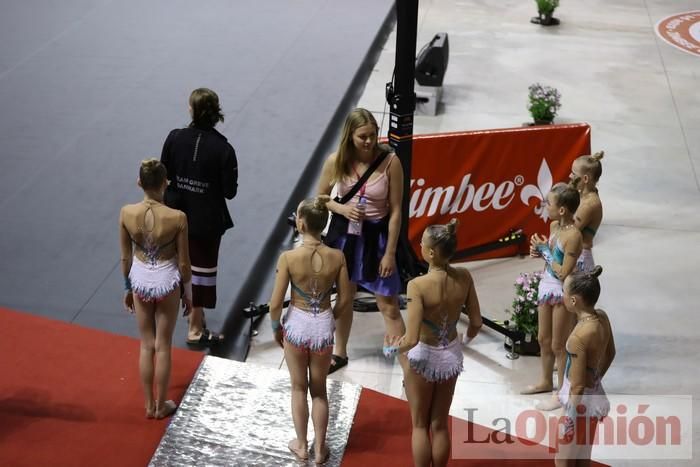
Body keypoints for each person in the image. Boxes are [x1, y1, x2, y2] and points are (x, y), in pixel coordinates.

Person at [387, 220, 482, 467]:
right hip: (450, 354)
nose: (418, 244)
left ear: (430, 252)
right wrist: (465, 341)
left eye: (422, 243)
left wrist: (391, 350)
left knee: (420, 425)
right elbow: (476, 322)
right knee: (439, 423)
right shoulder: (464, 277)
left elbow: (411, 338)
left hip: (424, 357)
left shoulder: (417, 285)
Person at [316, 108, 404, 373]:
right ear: (350, 136)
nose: (369, 141)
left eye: (373, 135)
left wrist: (389, 253)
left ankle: (405, 362)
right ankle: (339, 353)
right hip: (345, 236)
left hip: (376, 238)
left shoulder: (391, 162)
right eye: (362, 136)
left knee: (387, 302)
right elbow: (320, 197)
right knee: (344, 297)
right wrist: (341, 208)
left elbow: (397, 210)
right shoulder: (336, 161)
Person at [269, 195, 350, 464]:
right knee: (319, 390)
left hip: (297, 326)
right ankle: (320, 449)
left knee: (297, 388)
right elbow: (347, 299)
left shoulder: (290, 257)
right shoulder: (337, 257)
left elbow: (276, 303)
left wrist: (275, 327)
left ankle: (302, 445)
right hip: (322, 327)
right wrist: (330, 317)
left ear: (300, 224)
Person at [160, 88, 238, 346]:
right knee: (200, 272)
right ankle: (195, 329)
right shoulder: (224, 149)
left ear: (191, 110)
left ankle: (187, 316)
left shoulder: (174, 138)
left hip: (174, 214)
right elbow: (229, 192)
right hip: (206, 221)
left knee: (176, 266)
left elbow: (164, 175)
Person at [119, 159, 192, 419]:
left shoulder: (127, 212)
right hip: (166, 280)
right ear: (165, 183)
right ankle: (162, 406)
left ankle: (149, 405)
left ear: (139, 183)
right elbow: (184, 263)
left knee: (146, 344)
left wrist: (128, 288)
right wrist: (189, 295)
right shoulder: (177, 217)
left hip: (139, 278)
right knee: (163, 345)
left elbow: (125, 258)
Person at [522, 180, 583, 412]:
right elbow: (551, 263)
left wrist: (546, 252)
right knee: (543, 339)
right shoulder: (554, 227)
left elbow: (563, 271)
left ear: (562, 209)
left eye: (549, 204)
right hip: (546, 286)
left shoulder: (573, 236)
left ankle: (561, 392)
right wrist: (538, 252)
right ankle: (545, 381)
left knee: (559, 345)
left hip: (560, 290)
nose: (545, 207)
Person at [556, 266, 615, 466]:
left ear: (573, 301)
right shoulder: (602, 317)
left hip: (579, 404)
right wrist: (595, 379)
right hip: (594, 397)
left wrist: (569, 419)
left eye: (564, 292)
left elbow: (578, 385)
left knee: (563, 460)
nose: (562, 296)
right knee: (582, 458)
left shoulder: (578, 337)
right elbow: (610, 354)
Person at [570, 152, 604, 272]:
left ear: (585, 178)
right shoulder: (582, 196)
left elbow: (569, 231)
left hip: (580, 261)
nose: (570, 176)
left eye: (573, 173)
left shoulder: (589, 204)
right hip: (575, 256)